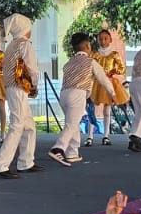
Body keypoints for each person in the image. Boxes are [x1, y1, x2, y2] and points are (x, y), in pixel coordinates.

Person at [0, 15, 44, 179]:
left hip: (11, 87)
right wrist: (34, 84)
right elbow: (32, 68)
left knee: (29, 125)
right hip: (20, 87)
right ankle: (0, 166)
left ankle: (26, 162)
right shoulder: (25, 44)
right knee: (17, 125)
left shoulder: (11, 45)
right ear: (25, 29)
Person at [49, 32, 114, 166]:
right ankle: (58, 148)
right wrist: (113, 93)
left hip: (64, 94)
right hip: (78, 94)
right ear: (88, 46)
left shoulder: (68, 63)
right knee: (72, 124)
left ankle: (72, 153)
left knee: (73, 123)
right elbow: (103, 78)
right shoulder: (91, 62)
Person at [91, 29, 130, 145]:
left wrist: (113, 70)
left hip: (109, 81)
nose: (103, 41)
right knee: (92, 110)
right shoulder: (94, 54)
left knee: (107, 110)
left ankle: (106, 135)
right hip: (97, 83)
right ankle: (90, 136)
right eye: (100, 39)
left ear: (110, 40)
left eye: (105, 38)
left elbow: (122, 69)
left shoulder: (114, 54)